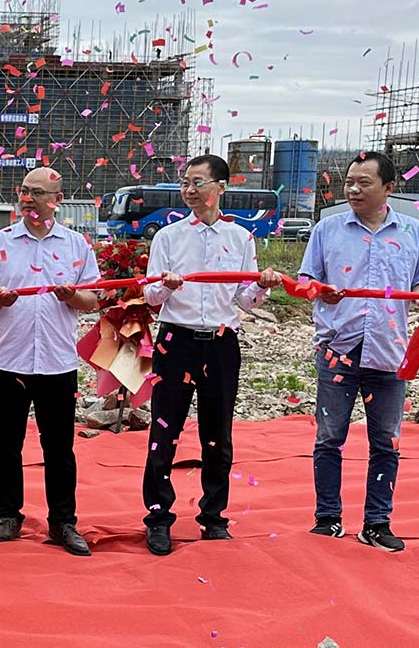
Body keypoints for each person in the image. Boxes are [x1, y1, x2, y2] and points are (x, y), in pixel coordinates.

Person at [138, 154, 282, 556]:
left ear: (221, 187)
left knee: (217, 432)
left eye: (197, 182)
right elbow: (150, 297)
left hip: (221, 343)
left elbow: (245, 300)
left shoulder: (240, 238)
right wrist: (166, 286)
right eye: (185, 182)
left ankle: (214, 517)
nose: (189, 189)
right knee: (164, 430)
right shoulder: (168, 237)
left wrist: (263, 285)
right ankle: (158, 517)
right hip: (176, 341)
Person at [299, 150, 419, 553]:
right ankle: (327, 518)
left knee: (386, 441)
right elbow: (306, 279)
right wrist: (320, 291)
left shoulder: (413, 232)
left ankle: (377, 522)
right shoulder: (328, 229)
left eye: (364, 183)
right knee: (329, 437)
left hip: (389, 350)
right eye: (349, 183)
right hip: (338, 347)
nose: (353, 190)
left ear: (389, 187)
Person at [0, 166, 100, 556]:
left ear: (57, 200)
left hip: (57, 363)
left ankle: (62, 522)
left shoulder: (77, 245)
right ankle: (8, 516)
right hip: (8, 360)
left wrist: (71, 296)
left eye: (38, 193)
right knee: (6, 445)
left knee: (59, 448)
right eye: (24, 191)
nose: (27, 198)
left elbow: (92, 300)